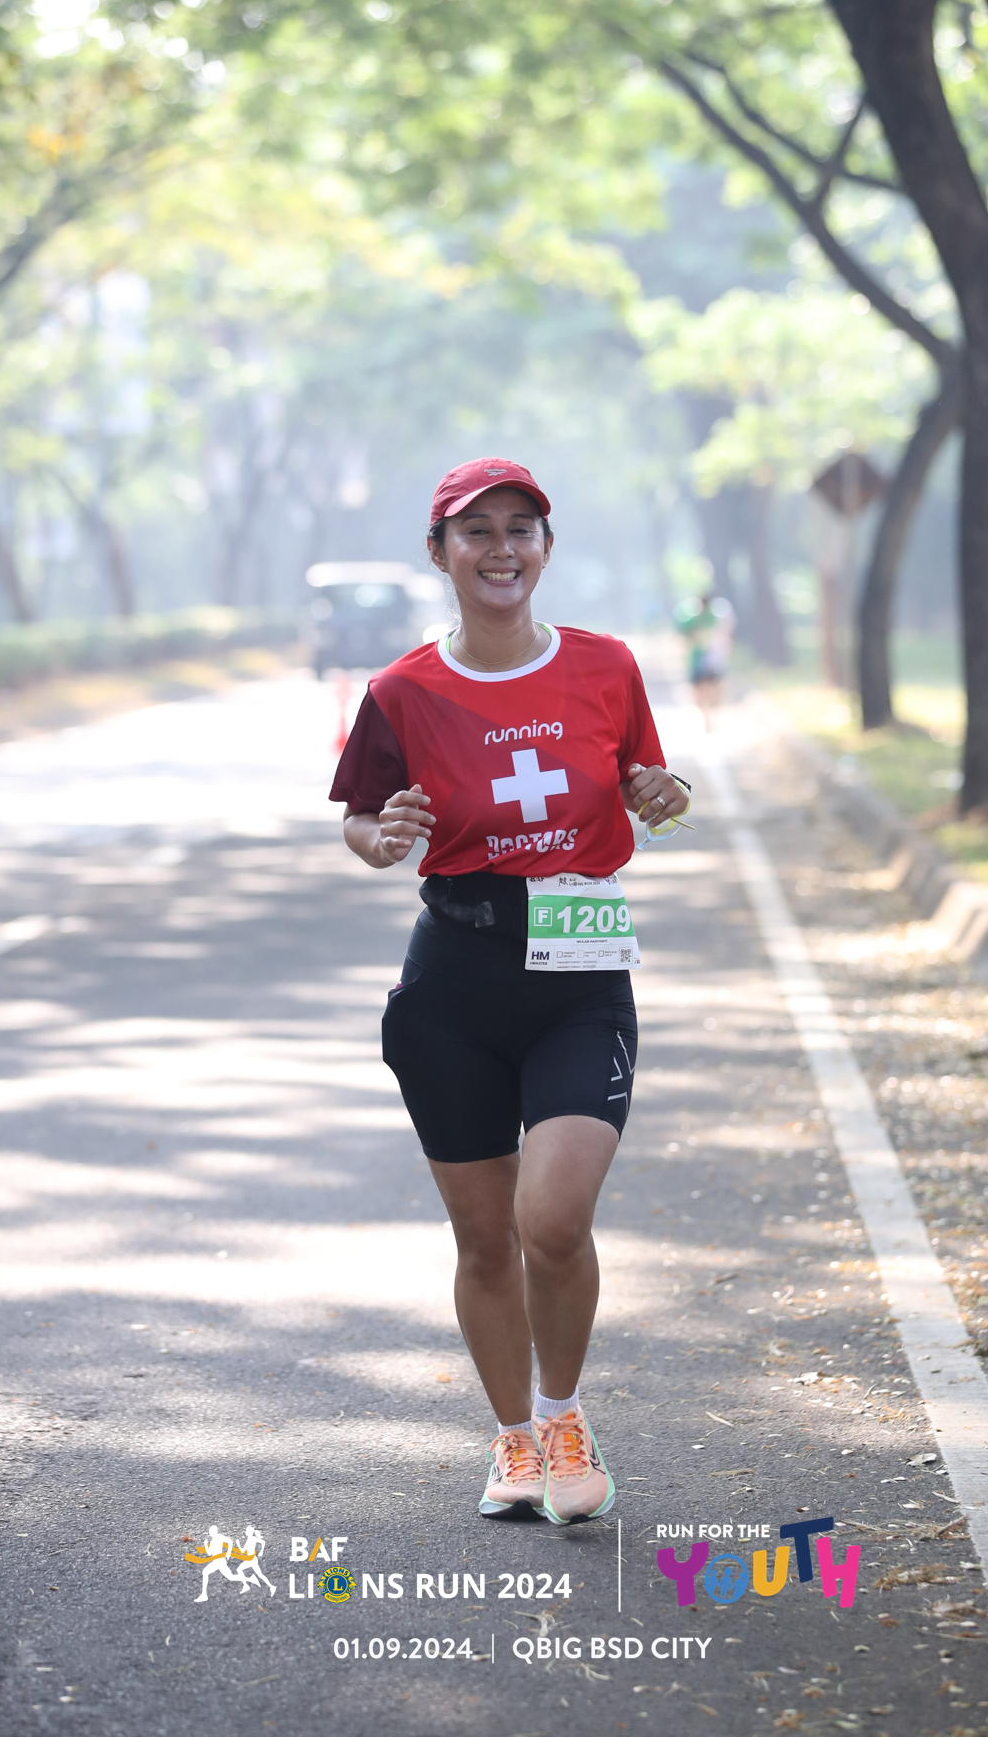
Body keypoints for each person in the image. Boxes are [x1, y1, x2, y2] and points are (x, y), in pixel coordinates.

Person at [330, 457, 690, 1526]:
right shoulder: (401, 692)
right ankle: (514, 1443)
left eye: (519, 529)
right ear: (439, 553)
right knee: (486, 1240)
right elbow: (361, 818)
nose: (501, 549)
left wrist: (661, 793)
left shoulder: (605, 665)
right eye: (475, 531)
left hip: (580, 973)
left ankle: (563, 1415)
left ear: (545, 547)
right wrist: (379, 839)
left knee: (553, 1220)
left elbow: (647, 779)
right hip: (456, 977)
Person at [675, 590, 733, 730]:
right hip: (705, 659)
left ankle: (710, 718)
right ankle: (710, 718)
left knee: (707, 689)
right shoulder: (696, 618)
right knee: (709, 689)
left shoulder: (711, 617)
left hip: (707, 659)